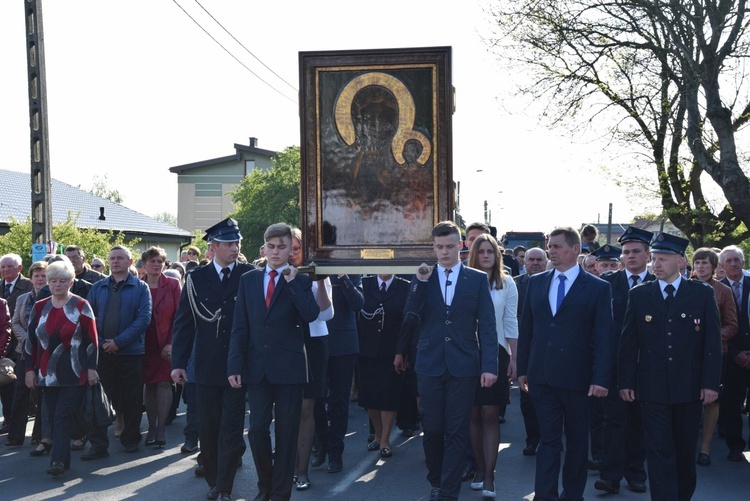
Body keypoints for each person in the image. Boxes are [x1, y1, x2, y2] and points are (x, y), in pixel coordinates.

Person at [619, 232, 721, 500]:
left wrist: (710, 384)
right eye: (654, 259)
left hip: (689, 387)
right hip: (652, 388)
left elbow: (712, 344)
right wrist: (626, 382)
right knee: (659, 451)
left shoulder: (701, 293)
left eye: (662, 259)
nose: (656, 265)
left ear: (680, 261)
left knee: (685, 451)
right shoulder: (640, 294)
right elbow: (629, 342)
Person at [403, 220, 498, 501]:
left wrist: (490, 366)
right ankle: (436, 479)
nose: (445, 252)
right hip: (429, 364)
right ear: (433, 248)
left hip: (464, 365)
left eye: (450, 246)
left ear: (461, 246)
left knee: (457, 430)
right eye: (439, 247)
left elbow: (489, 325)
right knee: (432, 429)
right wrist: (420, 284)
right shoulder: (423, 277)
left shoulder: (477, 279)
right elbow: (410, 317)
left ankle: (448, 490)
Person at [517, 226, 613, 501]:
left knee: (577, 442)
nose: (551, 251)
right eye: (550, 246)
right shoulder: (535, 282)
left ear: (575, 249)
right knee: (548, 440)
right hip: (541, 377)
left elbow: (604, 337)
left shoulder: (597, 287)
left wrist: (601, 378)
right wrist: (523, 369)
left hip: (579, 380)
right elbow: (528, 329)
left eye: (557, 246)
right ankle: (544, 495)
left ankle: (572, 494)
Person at [228, 222, 320, 501]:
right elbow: (239, 326)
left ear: (290, 249)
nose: (277, 252)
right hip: (257, 368)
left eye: (283, 247)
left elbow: (311, 314)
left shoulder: (301, 279)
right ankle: (265, 486)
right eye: (272, 246)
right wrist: (234, 366)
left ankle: (281, 492)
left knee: (286, 432)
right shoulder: (249, 280)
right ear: (264, 247)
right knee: (256, 430)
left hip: (290, 369)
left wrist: (292, 282)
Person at [171, 217, 254, 501]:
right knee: (208, 428)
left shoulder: (250, 274)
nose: (235, 247)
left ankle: (224, 486)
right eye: (229, 243)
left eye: (237, 242)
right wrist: (179, 363)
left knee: (231, 429)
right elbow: (184, 324)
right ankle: (213, 479)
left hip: (238, 366)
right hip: (205, 365)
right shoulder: (196, 279)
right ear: (214, 246)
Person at [24, 260, 99, 477]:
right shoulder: (40, 306)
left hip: (75, 371)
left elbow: (92, 340)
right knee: (57, 416)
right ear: (48, 283)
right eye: (53, 280)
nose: (58, 284)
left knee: (61, 415)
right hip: (47, 373)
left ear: (71, 282)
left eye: (63, 280)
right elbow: (31, 341)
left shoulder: (81, 305)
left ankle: (56, 461)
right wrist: (29, 370)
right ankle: (63, 459)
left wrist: (92, 368)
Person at [594, 226, 654, 494]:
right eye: (626, 252)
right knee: (614, 423)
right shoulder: (608, 283)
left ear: (647, 254)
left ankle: (636, 474)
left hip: (647, 367)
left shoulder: (658, 283)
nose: (630, 257)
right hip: (616, 367)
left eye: (636, 252)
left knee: (640, 423)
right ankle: (610, 476)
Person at [84, 245, 152, 459]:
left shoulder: (141, 287)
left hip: (130, 352)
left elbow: (143, 319)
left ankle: (131, 439)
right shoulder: (98, 287)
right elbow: (89, 318)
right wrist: (104, 343)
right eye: (112, 258)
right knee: (100, 400)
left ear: (130, 262)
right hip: (103, 353)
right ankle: (98, 445)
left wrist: (119, 342)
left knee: (131, 399)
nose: (115, 262)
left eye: (120, 258)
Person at [466, 233, 518, 499]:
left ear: (497, 254)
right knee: (472, 415)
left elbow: (511, 322)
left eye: (490, 251)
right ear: (474, 254)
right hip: (465, 354)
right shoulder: (464, 280)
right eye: (481, 251)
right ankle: (478, 467)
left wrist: (514, 357)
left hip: (496, 353)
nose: (486, 255)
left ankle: (489, 475)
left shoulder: (507, 283)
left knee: (490, 414)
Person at [289, 228, 334, 492]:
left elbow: (327, 315)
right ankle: (286, 466)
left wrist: (319, 281)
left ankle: (301, 471)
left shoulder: (318, 272)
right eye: (290, 248)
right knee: (284, 410)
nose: (294, 254)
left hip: (314, 343)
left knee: (306, 409)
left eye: (298, 249)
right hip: (284, 344)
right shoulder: (278, 273)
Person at [311, 271, 364, 474]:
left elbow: (358, 303)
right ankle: (321, 442)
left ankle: (336, 452)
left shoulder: (349, 271)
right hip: (316, 341)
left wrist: (343, 276)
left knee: (339, 401)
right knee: (315, 399)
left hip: (343, 344)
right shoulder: (312, 269)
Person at [357, 273, 410, 460]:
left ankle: (386, 439)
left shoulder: (404, 286)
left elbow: (406, 322)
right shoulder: (365, 283)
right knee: (370, 396)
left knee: (388, 395)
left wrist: (402, 351)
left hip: (392, 351)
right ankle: (378, 434)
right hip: (367, 351)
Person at [692, 247, 737, 466]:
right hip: (688, 354)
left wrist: (711, 338)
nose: (700, 267)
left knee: (712, 400)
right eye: (697, 263)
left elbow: (732, 324)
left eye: (705, 263)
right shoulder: (684, 287)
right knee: (688, 400)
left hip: (717, 353)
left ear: (714, 267)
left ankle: (705, 448)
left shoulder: (723, 291)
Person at [140, 246, 181, 448]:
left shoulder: (173, 285)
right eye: (152, 261)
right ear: (144, 264)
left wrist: (172, 343)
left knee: (164, 383)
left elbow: (180, 316)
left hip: (166, 342)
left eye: (160, 261)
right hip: (145, 343)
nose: (156, 265)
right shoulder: (139, 285)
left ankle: (162, 428)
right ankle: (152, 426)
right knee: (149, 384)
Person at [5, 261, 48, 450]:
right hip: (24, 351)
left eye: (43, 275)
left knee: (42, 394)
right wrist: (27, 340)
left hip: (46, 352)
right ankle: (15, 435)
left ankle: (39, 436)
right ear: (30, 278)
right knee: (21, 391)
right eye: (36, 275)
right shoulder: (23, 298)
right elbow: (15, 323)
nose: (40, 279)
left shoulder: (52, 297)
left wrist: (39, 342)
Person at [513, 247, 547, 456]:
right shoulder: (515, 284)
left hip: (547, 348)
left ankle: (549, 438)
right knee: (527, 398)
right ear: (524, 262)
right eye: (530, 259)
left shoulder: (553, 282)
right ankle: (533, 440)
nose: (534, 263)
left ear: (545, 262)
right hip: (524, 345)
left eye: (538, 260)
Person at [718, 245, 750, 462]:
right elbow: (717, 326)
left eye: (736, 260)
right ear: (721, 266)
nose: (733, 264)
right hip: (731, 354)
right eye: (728, 261)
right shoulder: (716, 289)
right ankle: (735, 445)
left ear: (743, 263)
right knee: (731, 402)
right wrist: (737, 352)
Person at [0, 253, 33, 433]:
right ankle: (9, 420)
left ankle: (18, 422)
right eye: (3, 267)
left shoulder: (28, 286)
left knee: (19, 387)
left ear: (19, 268)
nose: (5, 270)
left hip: (20, 344)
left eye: (9, 267)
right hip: (3, 345)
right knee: (5, 385)